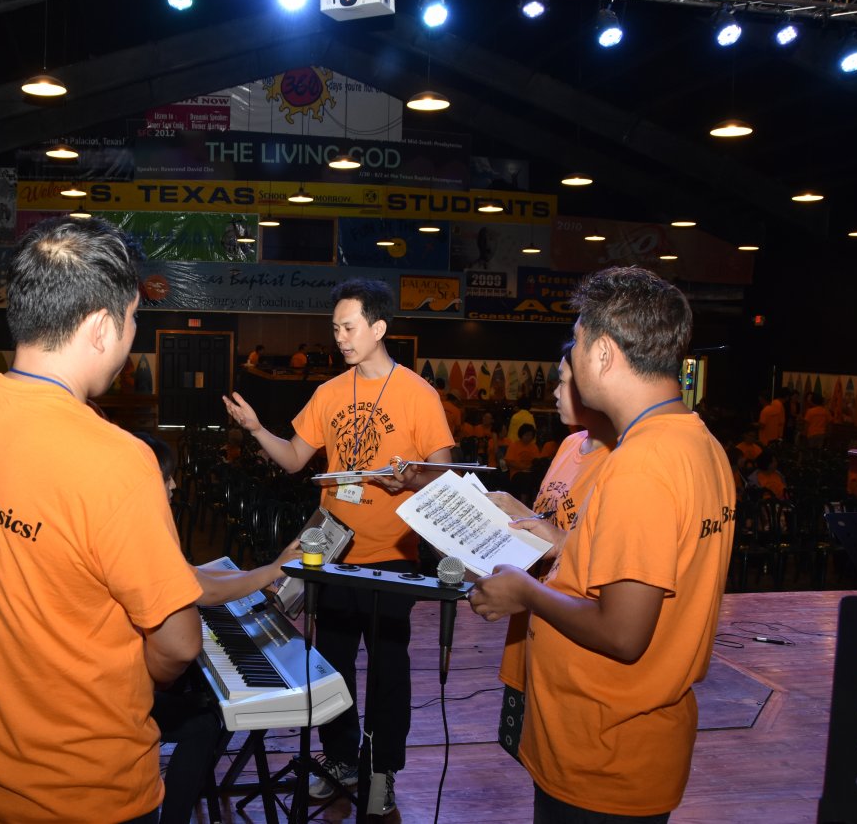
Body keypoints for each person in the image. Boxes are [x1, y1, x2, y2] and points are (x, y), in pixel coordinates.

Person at [0, 217, 204, 823]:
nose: (132, 336)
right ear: (101, 327)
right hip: (84, 795)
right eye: (133, 319)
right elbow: (178, 643)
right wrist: (142, 680)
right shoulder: (117, 460)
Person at [468, 265, 735, 822]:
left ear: (605, 353)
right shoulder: (698, 442)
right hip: (636, 741)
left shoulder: (641, 464)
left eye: (580, 339)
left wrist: (526, 592)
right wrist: (562, 543)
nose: (574, 354)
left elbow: (623, 633)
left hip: (603, 751)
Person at [223, 278, 454, 816]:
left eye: (348, 327)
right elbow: (294, 459)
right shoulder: (329, 393)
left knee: (389, 670)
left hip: (391, 558)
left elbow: (444, 473)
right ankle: (342, 759)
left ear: (379, 327)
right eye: (335, 329)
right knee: (332, 666)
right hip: (332, 555)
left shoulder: (418, 394)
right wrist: (256, 428)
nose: (340, 338)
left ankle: (382, 770)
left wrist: (411, 477)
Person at [132, 431, 300, 824]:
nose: (175, 485)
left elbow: (194, 578)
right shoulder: (143, 535)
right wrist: (271, 571)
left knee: (203, 700)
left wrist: (264, 572)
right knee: (204, 723)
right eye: (167, 477)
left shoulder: (130, 526)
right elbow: (201, 593)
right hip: (122, 696)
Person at [489, 343, 617, 762]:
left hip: (570, 636)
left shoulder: (622, 461)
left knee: (563, 772)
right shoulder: (569, 444)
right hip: (531, 629)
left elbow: (603, 555)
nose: (556, 393)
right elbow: (552, 523)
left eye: (563, 382)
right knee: (535, 769)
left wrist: (557, 540)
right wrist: (516, 511)